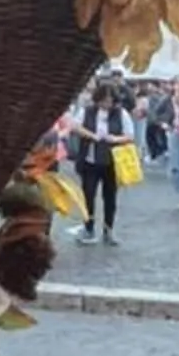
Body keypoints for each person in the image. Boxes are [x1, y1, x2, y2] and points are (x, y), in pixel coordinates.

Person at [69, 72, 135, 246]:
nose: (107, 104)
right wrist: (91, 135)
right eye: (104, 100)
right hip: (90, 161)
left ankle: (108, 230)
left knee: (110, 197)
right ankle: (88, 228)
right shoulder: (87, 111)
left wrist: (114, 139)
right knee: (88, 196)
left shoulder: (121, 114)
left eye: (110, 100)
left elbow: (130, 135)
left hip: (111, 162)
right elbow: (74, 126)